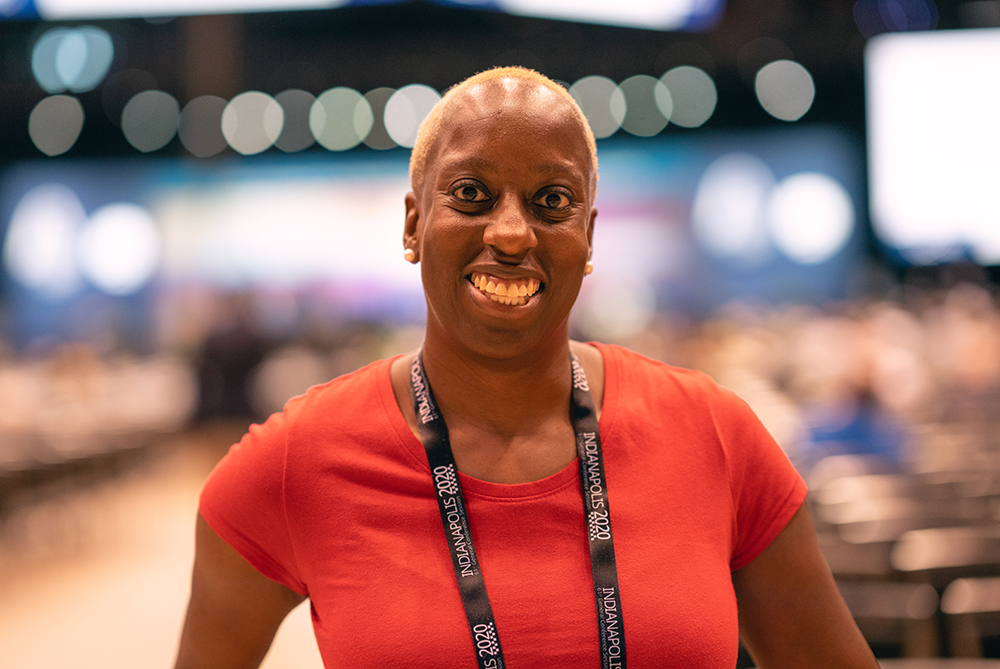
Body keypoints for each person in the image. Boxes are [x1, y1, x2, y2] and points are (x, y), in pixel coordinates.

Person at [174, 67, 879, 668]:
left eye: (552, 202)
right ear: (414, 224)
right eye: (472, 194)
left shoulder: (713, 433)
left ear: (588, 235)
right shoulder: (299, 460)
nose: (511, 233)